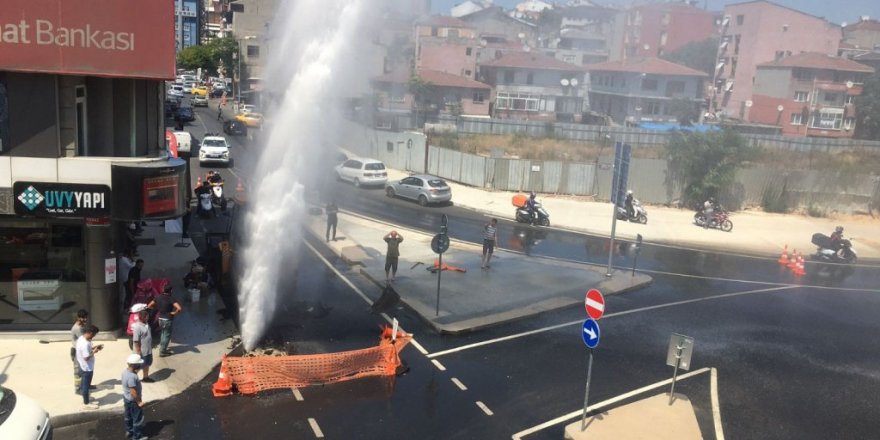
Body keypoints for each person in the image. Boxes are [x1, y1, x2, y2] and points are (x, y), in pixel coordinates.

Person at [148, 284, 182, 357]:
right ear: (171, 291)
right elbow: (179, 308)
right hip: (168, 320)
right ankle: (163, 352)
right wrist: (174, 313)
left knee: (163, 333)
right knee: (166, 335)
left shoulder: (158, 297)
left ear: (163, 290)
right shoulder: (171, 298)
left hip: (160, 319)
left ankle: (162, 348)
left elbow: (149, 305)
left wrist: (157, 308)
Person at [75, 324, 103, 409]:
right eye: (93, 334)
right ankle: (86, 404)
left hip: (82, 365)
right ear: (89, 333)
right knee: (86, 386)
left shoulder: (81, 338)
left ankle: (85, 398)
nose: (93, 336)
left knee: (84, 384)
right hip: (87, 368)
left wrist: (93, 348)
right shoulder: (85, 344)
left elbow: (85, 351)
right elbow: (86, 357)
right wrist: (95, 351)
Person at [122, 353, 148, 440]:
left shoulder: (125, 372)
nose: (140, 365)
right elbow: (133, 392)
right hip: (133, 401)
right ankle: (137, 437)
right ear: (134, 365)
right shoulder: (132, 377)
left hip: (126, 399)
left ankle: (129, 431)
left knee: (128, 416)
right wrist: (139, 402)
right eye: (139, 364)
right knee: (137, 419)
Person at [131, 309, 154, 382]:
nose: (148, 318)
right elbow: (136, 340)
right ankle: (132, 379)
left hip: (148, 350)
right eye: (146, 317)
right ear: (142, 317)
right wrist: (138, 351)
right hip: (142, 351)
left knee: (147, 364)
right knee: (138, 366)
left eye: (148, 316)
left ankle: (145, 377)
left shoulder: (147, 325)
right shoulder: (137, 327)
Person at [70, 309, 91, 394]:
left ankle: (85, 384)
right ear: (78, 318)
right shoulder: (77, 328)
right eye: (83, 318)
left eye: (85, 317)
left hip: (80, 350)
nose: (85, 319)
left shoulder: (81, 326)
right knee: (78, 371)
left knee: (84, 368)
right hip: (77, 352)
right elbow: (84, 339)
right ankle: (78, 388)